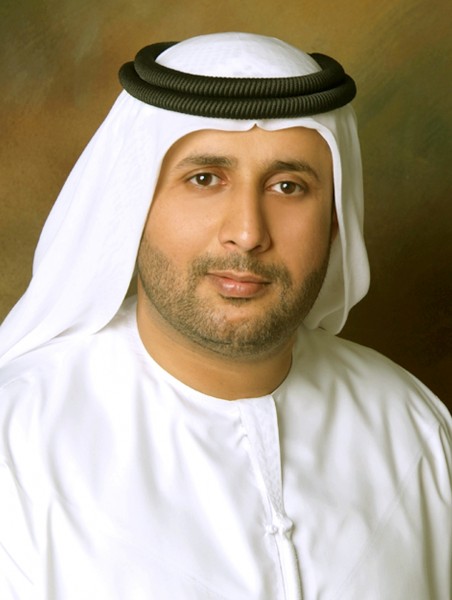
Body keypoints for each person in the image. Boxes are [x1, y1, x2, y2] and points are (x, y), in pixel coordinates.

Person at [0, 32, 450, 600]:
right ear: (132, 203)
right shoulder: (17, 446)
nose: (247, 232)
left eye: (288, 186)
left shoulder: (414, 426)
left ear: (335, 220)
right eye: (205, 179)